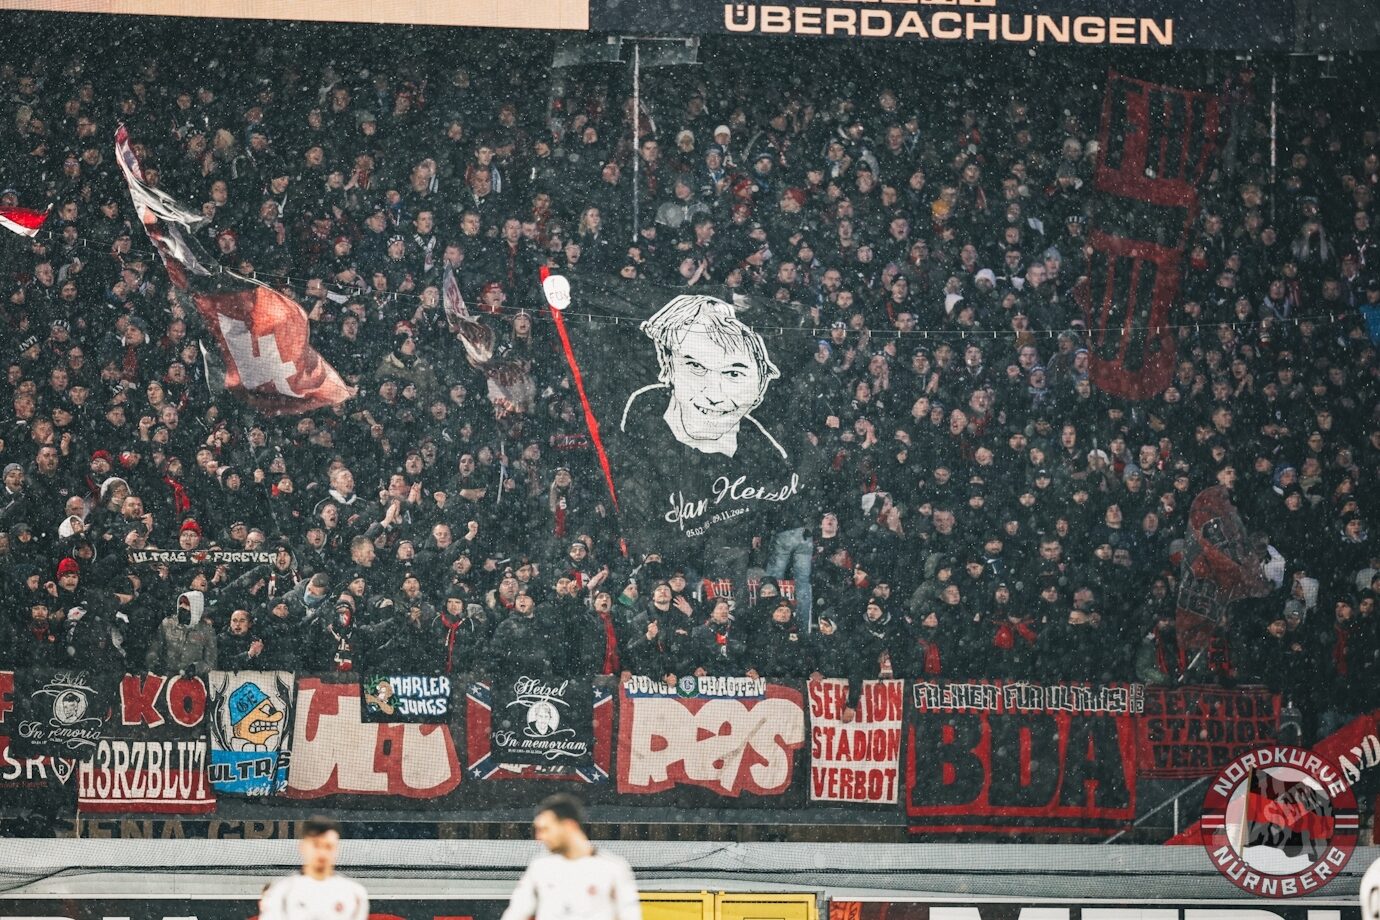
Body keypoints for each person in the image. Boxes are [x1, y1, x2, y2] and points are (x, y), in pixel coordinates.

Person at [500, 794, 641, 920]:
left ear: (569, 826)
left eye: (545, 829)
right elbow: (516, 913)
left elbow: (630, 915)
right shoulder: (539, 868)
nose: (539, 837)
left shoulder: (613, 868)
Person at [258, 816, 368, 920]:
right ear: (302, 847)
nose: (322, 852)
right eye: (316, 845)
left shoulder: (355, 894)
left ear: (337, 849)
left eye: (328, 846)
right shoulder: (281, 891)